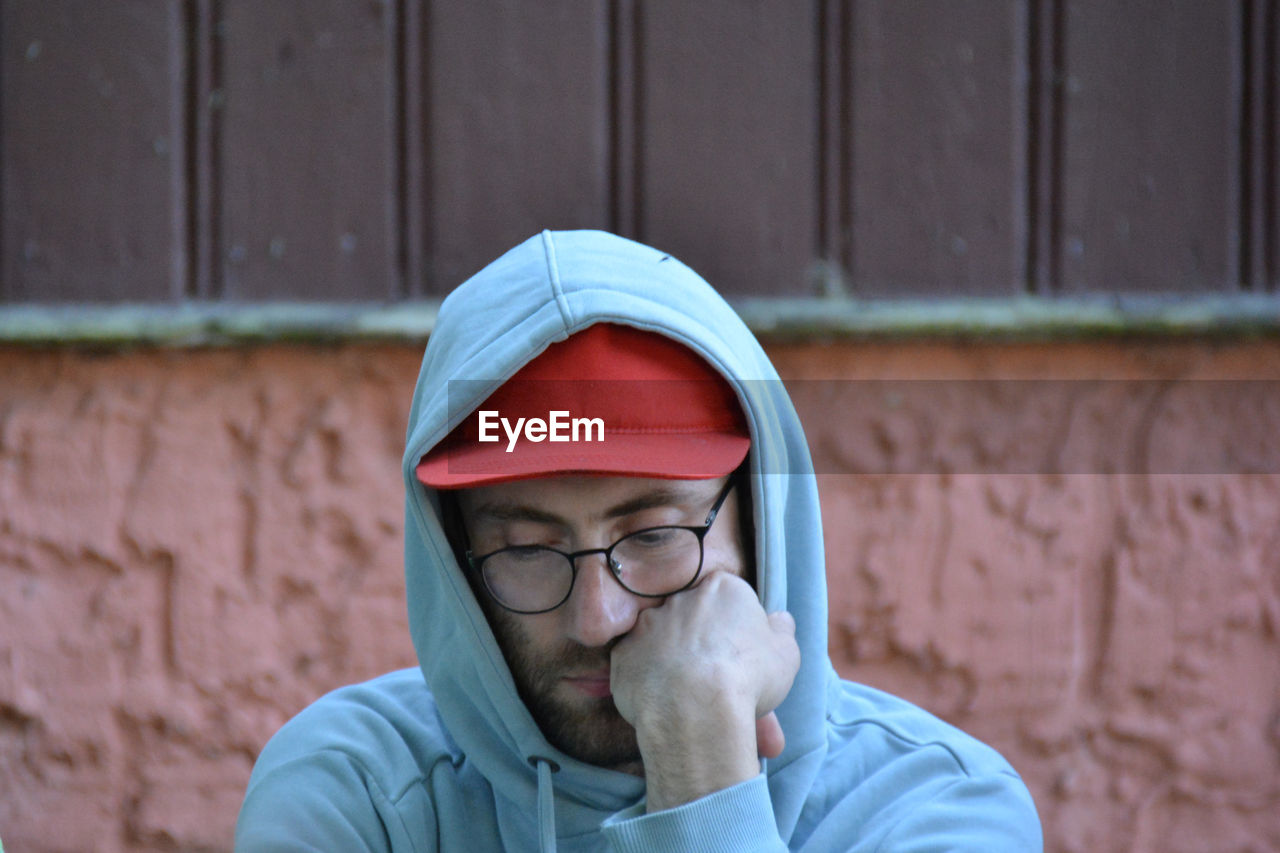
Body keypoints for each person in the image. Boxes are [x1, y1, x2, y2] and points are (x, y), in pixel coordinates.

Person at [235, 230, 1042, 851]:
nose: (598, 617)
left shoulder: (935, 805)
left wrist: (704, 781)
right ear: (455, 559)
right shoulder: (362, 793)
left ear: (762, 526)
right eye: (526, 546)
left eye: (655, 534)